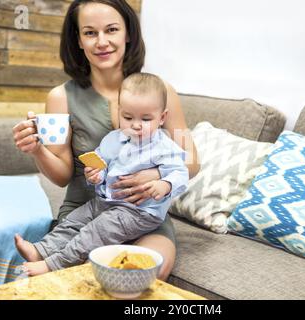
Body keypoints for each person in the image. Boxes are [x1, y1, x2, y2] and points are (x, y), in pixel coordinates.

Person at [12, 0, 199, 280]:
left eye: (111, 29)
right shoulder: (61, 97)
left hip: (142, 214)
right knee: (87, 277)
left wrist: (155, 174)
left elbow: (192, 160)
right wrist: (37, 150)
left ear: (128, 34)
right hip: (87, 209)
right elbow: (63, 176)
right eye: (90, 32)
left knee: (146, 270)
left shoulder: (162, 92)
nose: (102, 42)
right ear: (78, 40)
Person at [15, 73, 189, 276]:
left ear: (162, 118)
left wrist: (165, 183)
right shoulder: (112, 139)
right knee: (76, 219)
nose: (136, 124)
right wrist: (95, 175)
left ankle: (53, 264)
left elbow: (181, 171)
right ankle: (41, 250)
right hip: (105, 202)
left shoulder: (165, 146)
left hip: (139, 212)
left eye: (146, 119)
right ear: (119, 112)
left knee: (96, 230)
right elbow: (101, 163)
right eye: (128, 117)